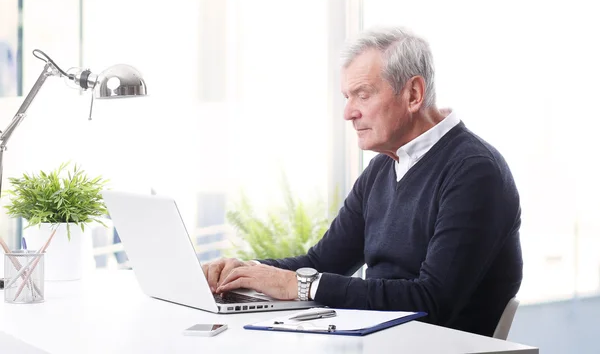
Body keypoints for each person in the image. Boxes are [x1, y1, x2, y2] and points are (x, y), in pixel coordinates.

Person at [202, 26, 523, 337]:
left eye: (362, 95)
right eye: (347, 96)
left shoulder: (474, 171)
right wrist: (246, 271)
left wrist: (300, 285)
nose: (348, 112)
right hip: (378, 342)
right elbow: (322, 262)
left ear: (413, 94)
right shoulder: (383, 167)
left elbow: (433, 301)